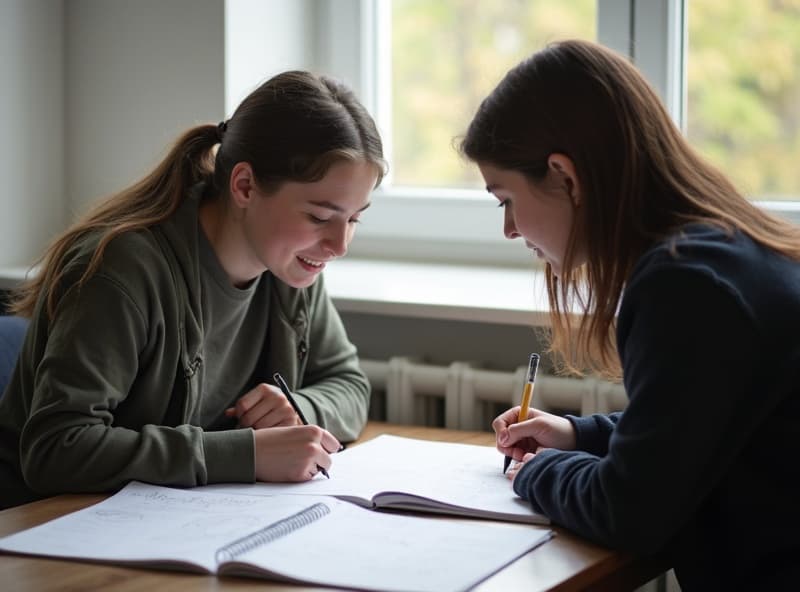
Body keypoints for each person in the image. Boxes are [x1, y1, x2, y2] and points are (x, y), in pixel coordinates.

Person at [460, 40, 800, 590]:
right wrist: (575, 435)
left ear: (565, 176)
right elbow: (699, 425)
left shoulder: (687, 284)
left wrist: (537, 471)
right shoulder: (726, 251)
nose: (509, 230)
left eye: (505, 199)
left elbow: (629, 510)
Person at [0, 70, 386, 510]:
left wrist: (300, 410)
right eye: (320, 217)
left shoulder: (292, 267)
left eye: (354, 219)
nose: (340, 245)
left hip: (177, 518)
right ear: (244, 186)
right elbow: (56, 449)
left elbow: (349, 385)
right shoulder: (123, 271)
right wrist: (245, 453)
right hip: (43, 527)